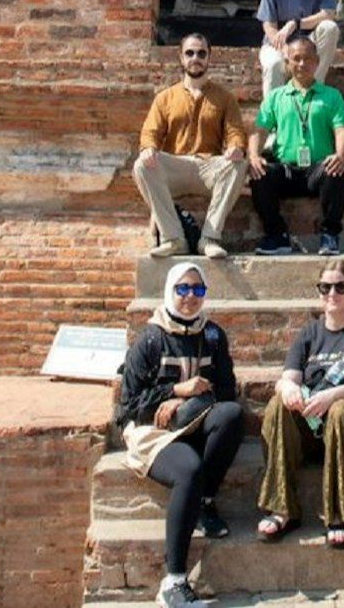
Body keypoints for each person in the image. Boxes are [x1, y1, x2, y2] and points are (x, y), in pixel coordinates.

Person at [114, 261, 244, 608]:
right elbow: (127, 407)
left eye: (197, 290)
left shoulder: (212, 335)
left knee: (231, 415)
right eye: (182, 289)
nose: (190, 297)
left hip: (194, 421)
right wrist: (173, 392)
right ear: (170, 291)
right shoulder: (151, 339)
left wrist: (193, 397)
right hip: (151, 432)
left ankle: (202, 502)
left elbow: (228, 392)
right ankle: (173, 580)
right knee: (189, 470)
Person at [256, 257, 344, 551]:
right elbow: (286, 378)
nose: (333, 293)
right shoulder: (309, 333)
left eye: (341, 287)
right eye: (325, 287)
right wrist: (290, 388)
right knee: (279, 404)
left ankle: (342, 515)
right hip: (315, 428)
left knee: (342, 409)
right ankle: (282, 508)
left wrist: (333, 395)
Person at [134, 34, 247, 259]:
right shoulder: (165, 97)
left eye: (201, 53)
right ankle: (174, 239)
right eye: (190, 53)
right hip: (174, 166)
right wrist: (148, 147)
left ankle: (209, 238)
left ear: (209, 58)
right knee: (141, 166)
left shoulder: (224, 98)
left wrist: (236, 146)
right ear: (181, 57)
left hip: (207, 168)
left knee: (238, 165)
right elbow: (150, 132)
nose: (196, 58)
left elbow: (236, 131)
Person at [248, 36, 344, 256]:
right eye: (296, 59)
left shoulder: (332, 96)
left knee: (335, 171)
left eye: (307, 58)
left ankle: (330, 234)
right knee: (260, 173)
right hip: (286, 169)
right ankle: (276, 235)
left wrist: (340, 155)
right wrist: (254, 157)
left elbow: (342, 129)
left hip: (317, 169)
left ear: (316, 61)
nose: (302, 64)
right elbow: (259, 130)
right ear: (287, 63)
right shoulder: (276, 97)